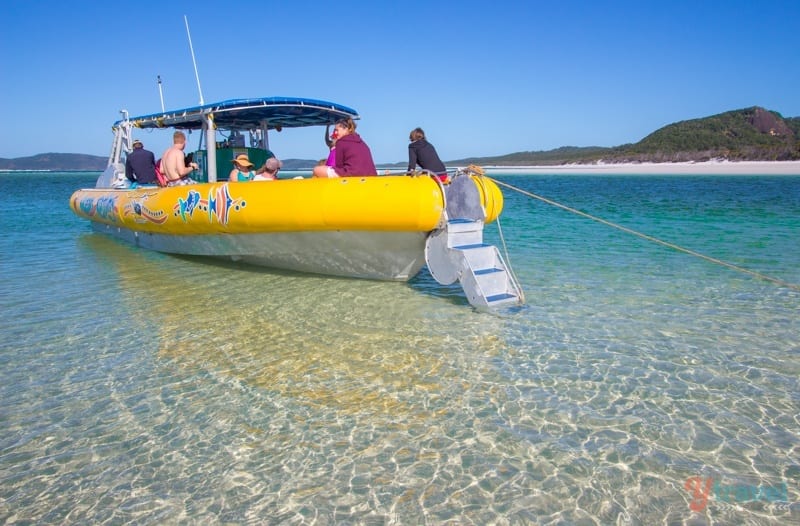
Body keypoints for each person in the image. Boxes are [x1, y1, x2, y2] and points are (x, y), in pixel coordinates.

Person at [312, 117, 377, 178]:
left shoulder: (341, 142)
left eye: (337, 130)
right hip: (371, 175)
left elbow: (339, 166)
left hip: (351, 174)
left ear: (346, 129)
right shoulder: (362, 142)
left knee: (317, 170)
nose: (335, 133)